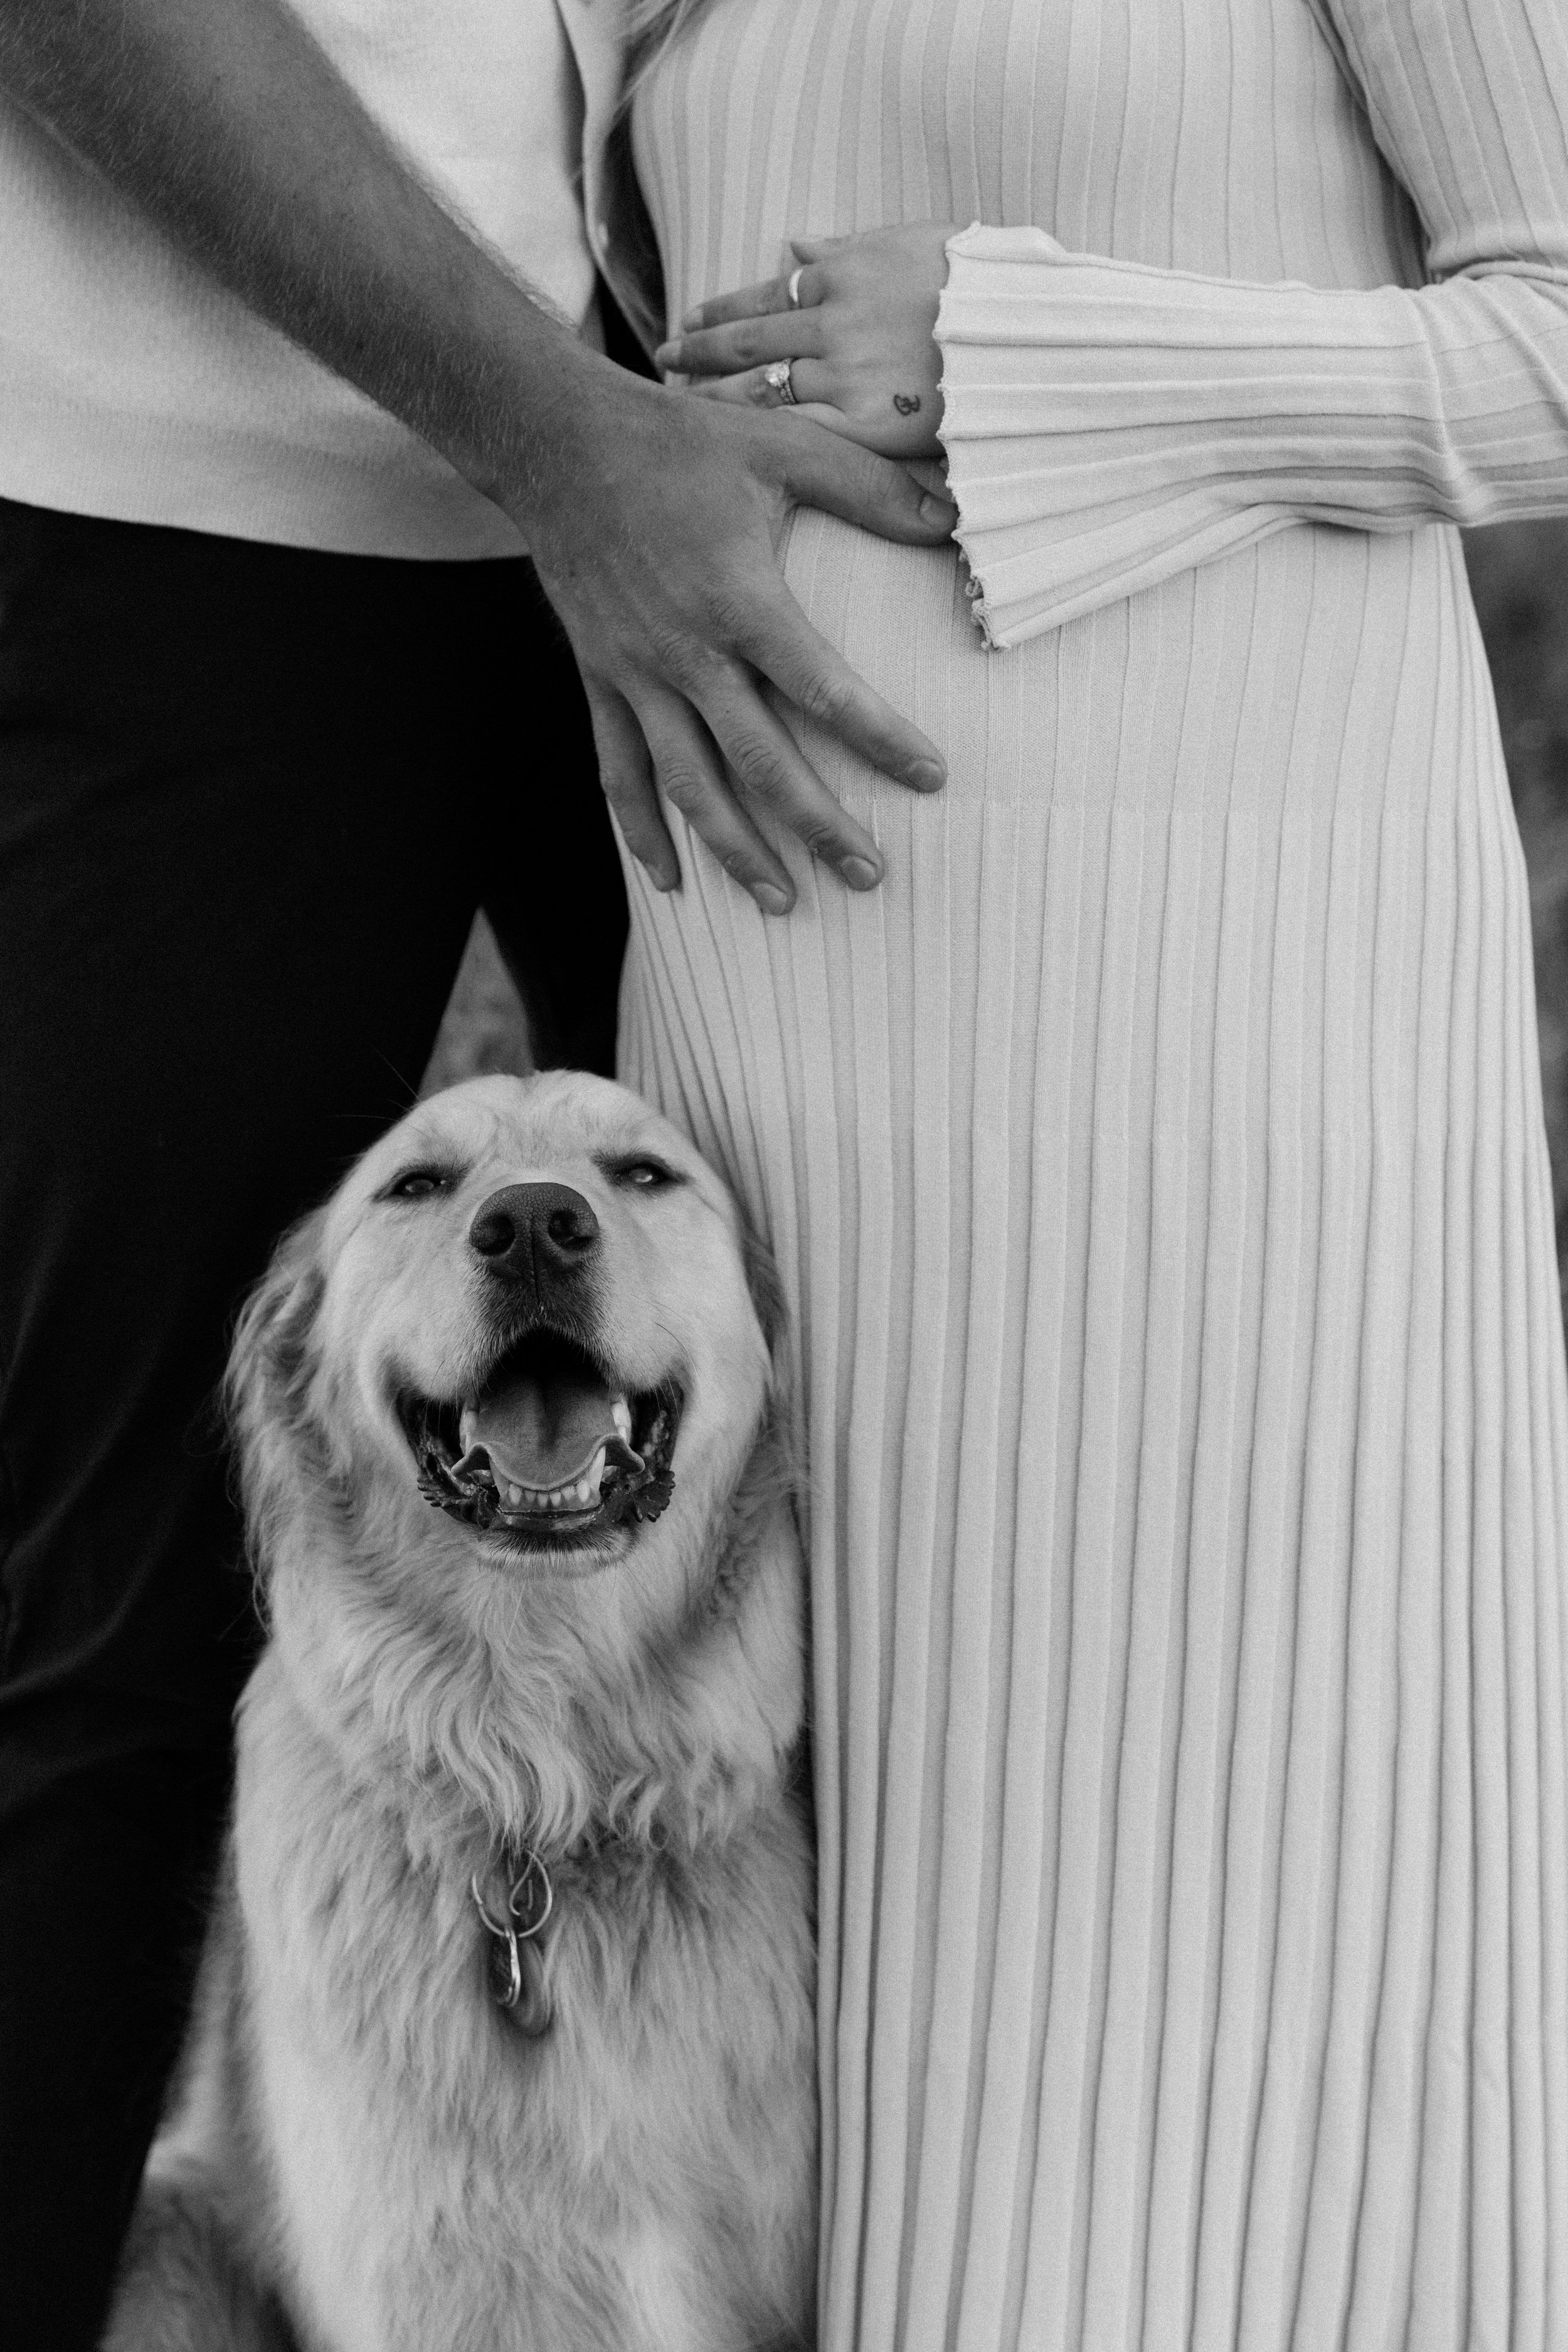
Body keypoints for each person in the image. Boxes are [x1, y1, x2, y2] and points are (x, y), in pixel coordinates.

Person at [0, 1, 962, 2343]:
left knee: (926, 1530)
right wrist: (563, 442)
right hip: (201, 517)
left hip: (746, 486)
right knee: (111, 1607)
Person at [612, 0, 1568, 2344]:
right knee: (841, 1894)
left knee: (1182, 1859)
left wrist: (1017, 341)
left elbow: (1550, 344)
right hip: (786, 997)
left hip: (1233, 988)